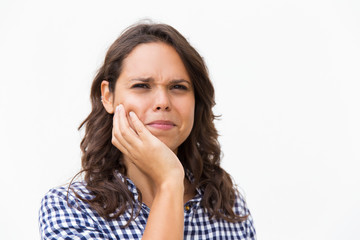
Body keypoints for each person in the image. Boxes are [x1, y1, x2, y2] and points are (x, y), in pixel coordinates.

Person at [39, 22, 256, 240]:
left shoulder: (228, 207)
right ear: (108, 96)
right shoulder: (70, 208)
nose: (163, 102)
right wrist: (169, 181)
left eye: (178, 87)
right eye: (142, 86)